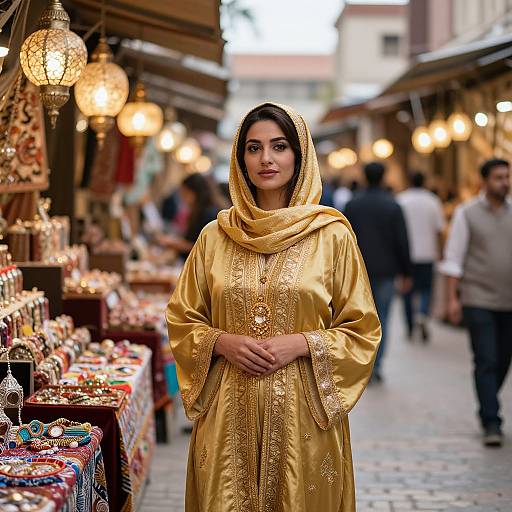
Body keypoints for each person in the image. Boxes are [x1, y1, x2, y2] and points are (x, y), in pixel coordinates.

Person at [166, 103, 381, 511]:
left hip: (305, 420)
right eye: (253, 148)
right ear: (239, 158)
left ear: (299, 156)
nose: (266, 159)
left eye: (279, 146)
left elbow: (361, 329)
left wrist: (301, 343)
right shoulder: (215, 236)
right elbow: (182, 317)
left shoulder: (331, 235)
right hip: (227, 418)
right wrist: (221, 341)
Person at [441, 158, 512, 447]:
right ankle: (491, 420)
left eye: (507, 177)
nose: (504, 183)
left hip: (509, 300)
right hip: (477, 297)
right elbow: (454, 259)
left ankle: (488, 400)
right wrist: (452, 300)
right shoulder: (466, 213)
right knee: (486, 358)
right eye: (498, 178)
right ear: (484, 181)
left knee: (503, 360)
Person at [345, 162, 412, 382]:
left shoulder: (353, 204)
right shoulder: (392, 205)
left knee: (359, 317)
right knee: (381, 317)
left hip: (358, 271)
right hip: (386, 270)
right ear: (384, 177)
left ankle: (362, 363)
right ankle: (377, 364)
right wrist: (406, 272)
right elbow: (402, 241)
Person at [398, 172, 445, 342]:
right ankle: (423, 314)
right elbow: (440, 230)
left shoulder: (402, 200)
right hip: (427, 252)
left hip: (407, 254)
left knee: (407, 291)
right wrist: (441, 251)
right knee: (425, 289)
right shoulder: (433, 201)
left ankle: (410, 325)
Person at [158, 173, 225, 258]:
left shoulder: (209, 213)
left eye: (184, 193)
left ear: (194, 192)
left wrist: (172, 242)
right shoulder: (199, 210)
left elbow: (201, 247)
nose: (182, 198)